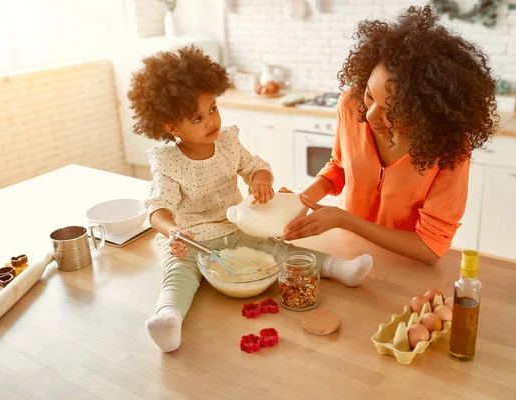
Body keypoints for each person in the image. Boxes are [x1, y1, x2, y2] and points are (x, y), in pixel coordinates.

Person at [127, 47, 374, 352]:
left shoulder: (228, 142)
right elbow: (158, 209)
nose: (211, 121)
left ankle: (340, 269)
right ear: (171, 127)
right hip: (190, 240)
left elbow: (256, 167)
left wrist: (260, 182)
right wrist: (172, 231)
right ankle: (168, 319)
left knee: (280, 250)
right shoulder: (167, 162)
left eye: (213, 109)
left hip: (236, 230)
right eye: (197, 118)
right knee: (179, 274)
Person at [280, 6, 497, 265]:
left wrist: (345, 220)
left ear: (424, 115)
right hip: (349, 253)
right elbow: (340, 166)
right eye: (370, 96)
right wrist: (301, 200)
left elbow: (429, 248)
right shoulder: (351, 104)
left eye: (391, 112)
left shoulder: (450, 146)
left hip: (402, 265)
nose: (370, 116)